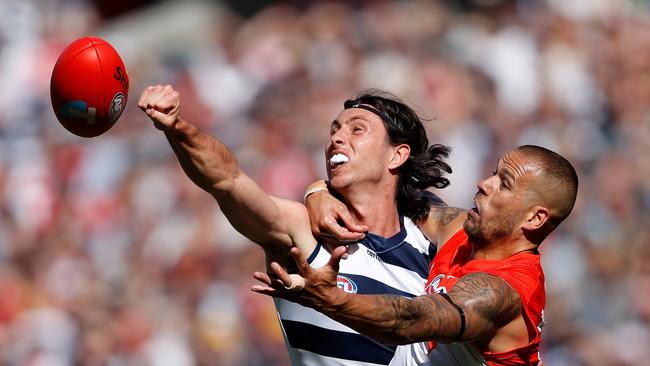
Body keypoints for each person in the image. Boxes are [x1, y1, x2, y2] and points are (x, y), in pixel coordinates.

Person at [138, 85, 453, 365]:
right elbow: (228, 181)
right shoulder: (306, 232)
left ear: (396, 155)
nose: (336, 139)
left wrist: (316, 189)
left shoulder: (431, 244)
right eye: (334, 130)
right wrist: (178, 128)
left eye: (357, 130)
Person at [252, 145, 578, 365]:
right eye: (493, 173)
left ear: (535, 218)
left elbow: (412, 320)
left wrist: (329, 299)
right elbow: (387, 193)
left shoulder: (501, 292)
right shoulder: (462, 231)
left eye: (503, 183)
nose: (484, 183)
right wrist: (319, 190)